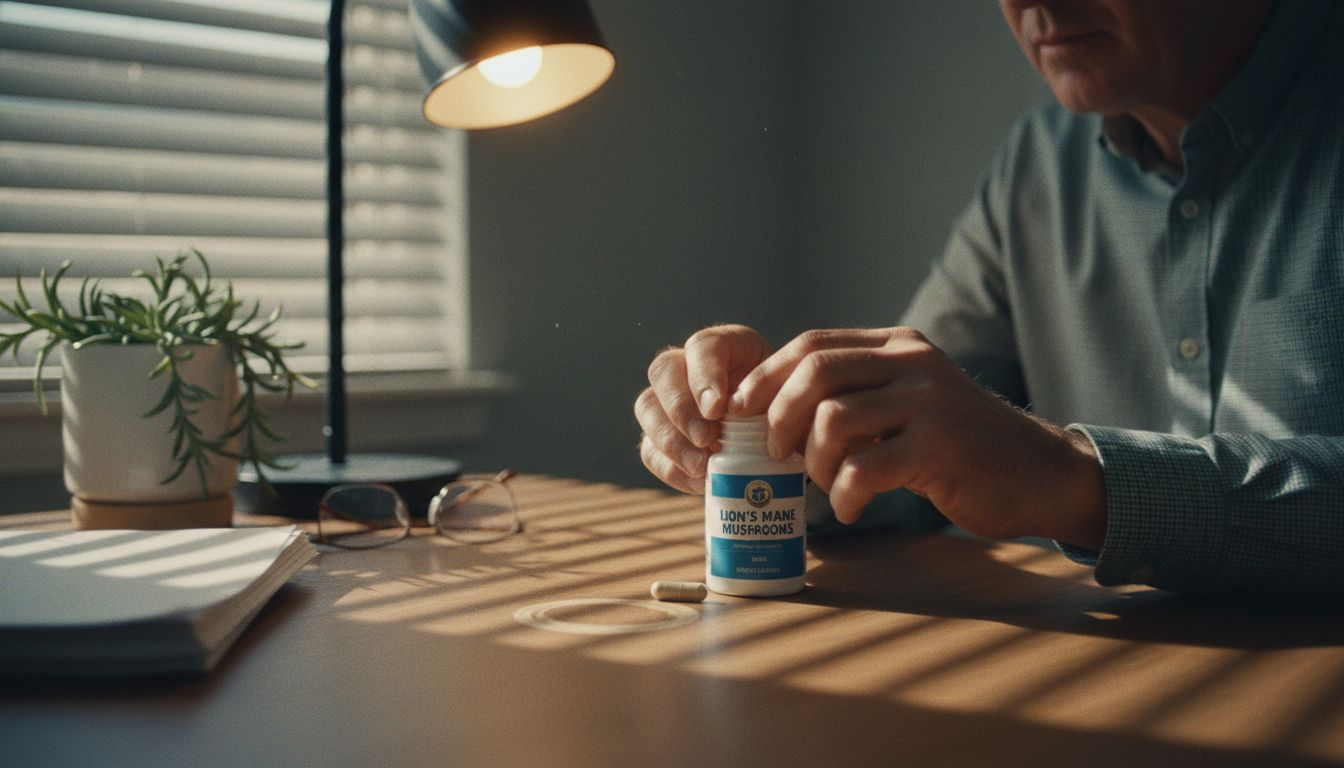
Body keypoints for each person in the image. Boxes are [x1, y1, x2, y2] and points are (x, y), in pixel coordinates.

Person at [633, 0, 1344, 594]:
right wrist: (766, 430)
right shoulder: (1039, 166)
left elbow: (1016, 464)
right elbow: (915, 444)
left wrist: (1076, 482)